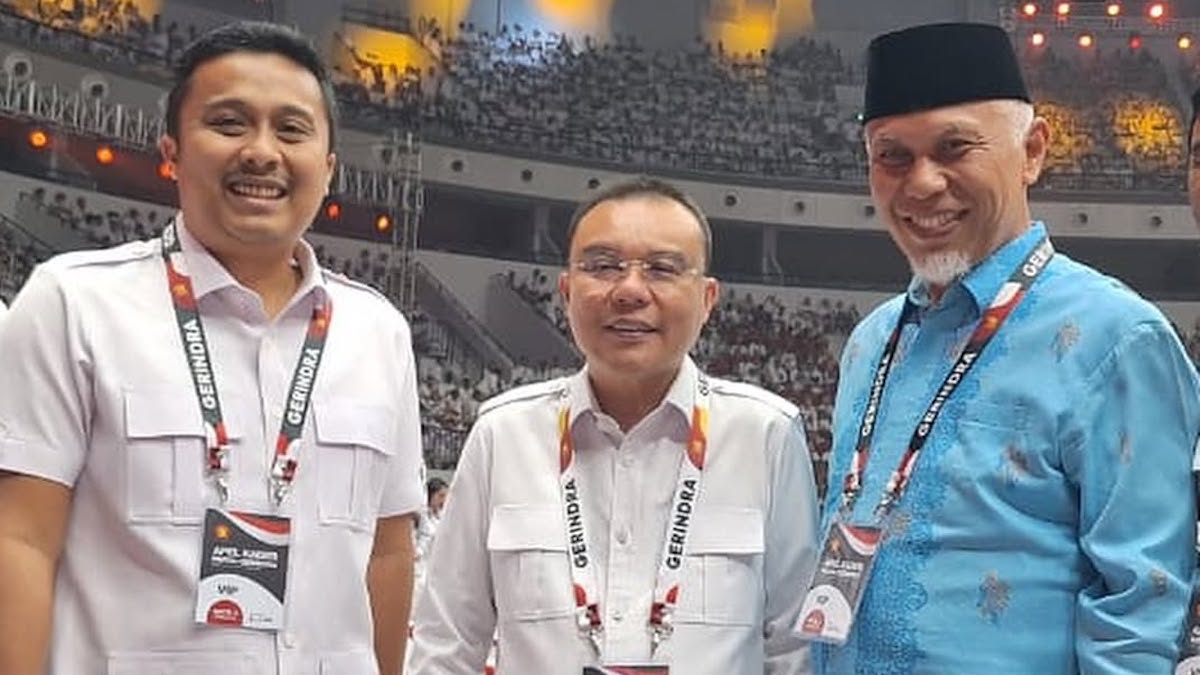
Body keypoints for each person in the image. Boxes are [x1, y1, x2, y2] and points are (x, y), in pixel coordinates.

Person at [0, 22, 423, 675]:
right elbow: (21, 539)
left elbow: (388, 552)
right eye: (229, 124)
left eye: (292, 130)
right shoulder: (74, 305)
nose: (261, 151)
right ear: (171, 152)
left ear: (328, 169)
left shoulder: (379, 332)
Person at [808, 23, 1200, 674]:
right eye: (892, 156)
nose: (922, 183)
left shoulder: (1119, 340)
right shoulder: (870, 342)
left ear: (1032, 151)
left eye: (954, 147)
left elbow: (1139, 613)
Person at [409, 176, 819, 674]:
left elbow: (796, 650)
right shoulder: (504, 435)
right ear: (566, 291)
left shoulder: (766, 436)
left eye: (662, 269)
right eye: (603, 266)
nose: (629, 290)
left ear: (707, 298)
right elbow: (447, 644)